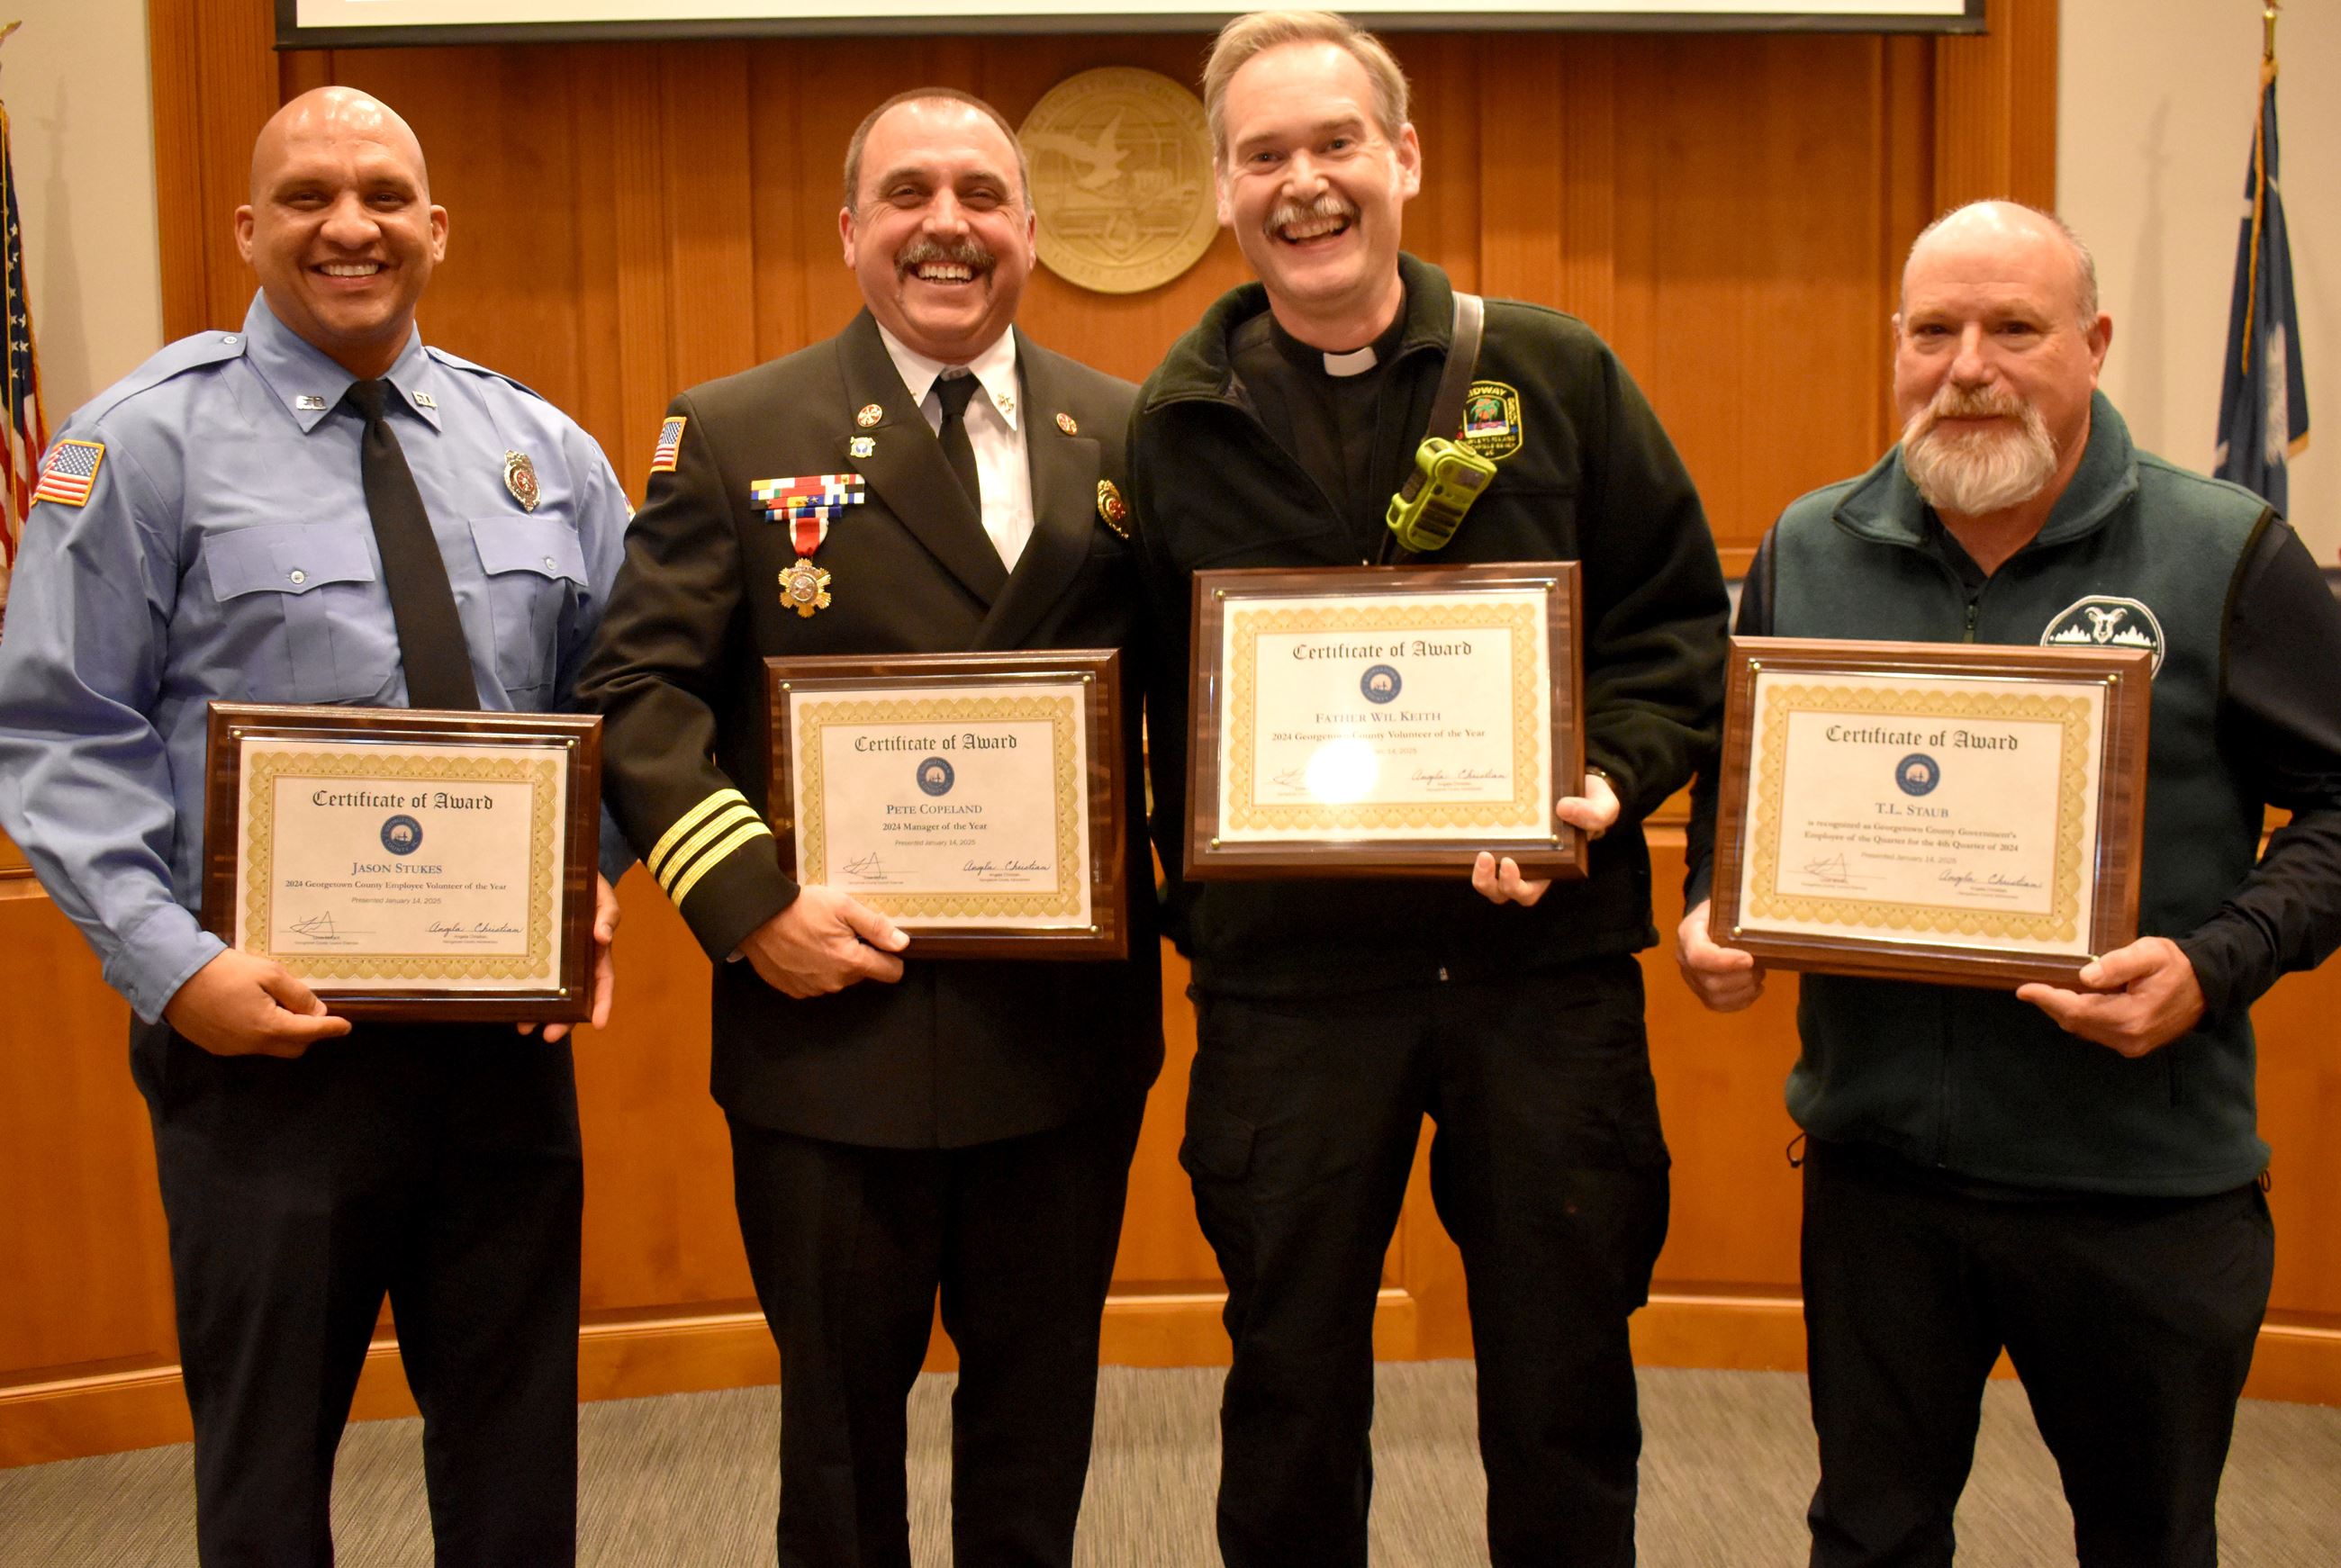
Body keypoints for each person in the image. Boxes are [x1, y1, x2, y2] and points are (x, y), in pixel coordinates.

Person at [1127, 14, 1730, 1565]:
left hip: (1543, 979)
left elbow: (1673, 629)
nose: (1305, 184)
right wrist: (1184, 897)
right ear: (1222, 190)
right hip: (1289, 997)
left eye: (1337, 144)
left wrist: (1600, 783)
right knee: (1287, 1386)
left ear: (1403, 157)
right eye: (1266, 156)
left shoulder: (1555, 371)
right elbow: (1133, 701)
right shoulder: (1170, 424)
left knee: (1563, 1381)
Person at [0, 87, 628, 1563]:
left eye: (384, 194)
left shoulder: (541, 446)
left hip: (499, 1052)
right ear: (249, 228)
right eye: (307, 197)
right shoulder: (141, 448)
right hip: (266, 1053)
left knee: (517, 1459)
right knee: (270, 1475)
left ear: (435, 227)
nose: (350, 225)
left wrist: (586, 885)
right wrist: (175, 970)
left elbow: (624, 699)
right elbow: (58, 731)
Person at [1677, 200, 2341, 1567]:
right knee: (1868, 1535)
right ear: (1900, 346)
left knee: (2148, 1540)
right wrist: (1715, 906)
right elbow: (1743, 790)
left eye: (2014, 328)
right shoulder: (1810, 546)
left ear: (2092, 345)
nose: (1967, 363)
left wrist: (2215, 962)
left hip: (2141, 1181)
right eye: (1934, 330)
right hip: (1879, 1181)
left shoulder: (2225, 551)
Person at [573, 88, 1161, 1568]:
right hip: (829, 1036)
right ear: (852, 232)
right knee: (838, 1442)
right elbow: (639, 688)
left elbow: (1199, 694)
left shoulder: (1134, 435)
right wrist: (751, 902)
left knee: (1039, 1421)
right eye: (908, 193)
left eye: (981, 193)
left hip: (1060, 1039)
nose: (946, 223)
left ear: (1031, 230)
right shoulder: (735, 427)